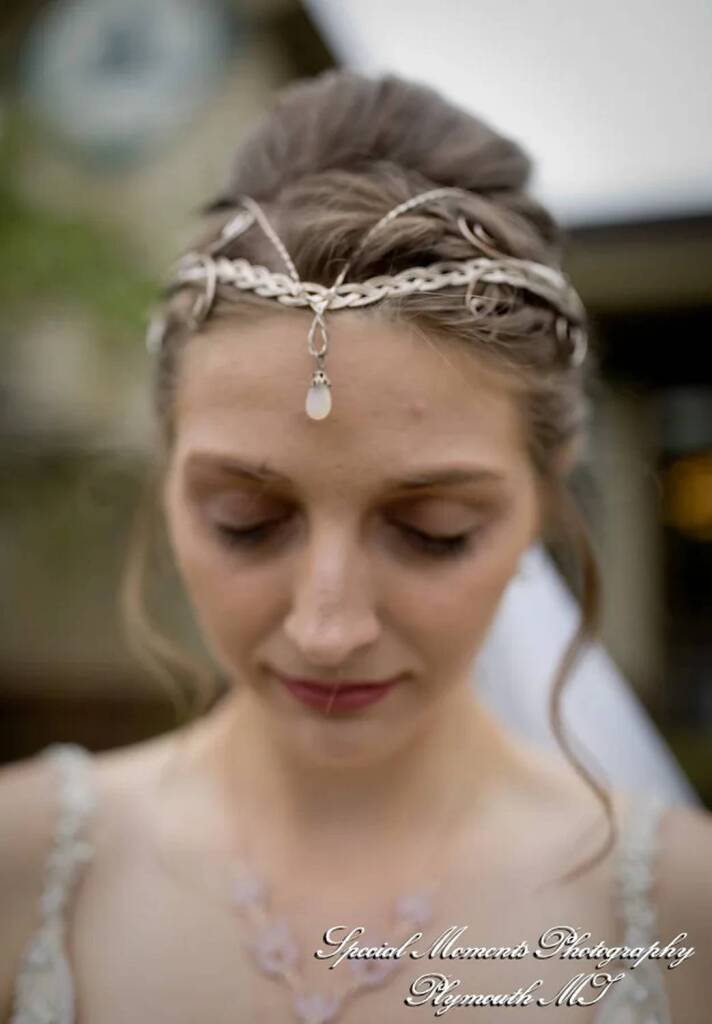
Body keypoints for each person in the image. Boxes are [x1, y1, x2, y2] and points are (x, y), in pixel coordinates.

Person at [1, 69, 710, 1024]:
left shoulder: (685, 913)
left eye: (433, 533)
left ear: (545, 496)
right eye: (246, 522)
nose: (327, 629)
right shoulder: (20, 869)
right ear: (169, 478)